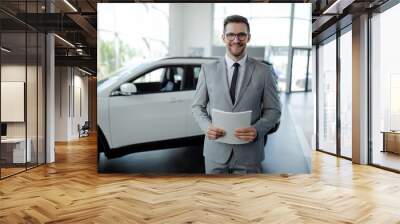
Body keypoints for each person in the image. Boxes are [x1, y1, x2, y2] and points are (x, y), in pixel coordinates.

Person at [192, 15, 281, 174]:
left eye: (241, 35)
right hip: (215, 151)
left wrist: (258, 130)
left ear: (248, 37)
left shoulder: (264, 71)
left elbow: (274, 110)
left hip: (250, 154)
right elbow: (197, 106)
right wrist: (207, 127)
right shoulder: (208, 70)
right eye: (231, 35)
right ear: (223, 37)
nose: (236, 39)